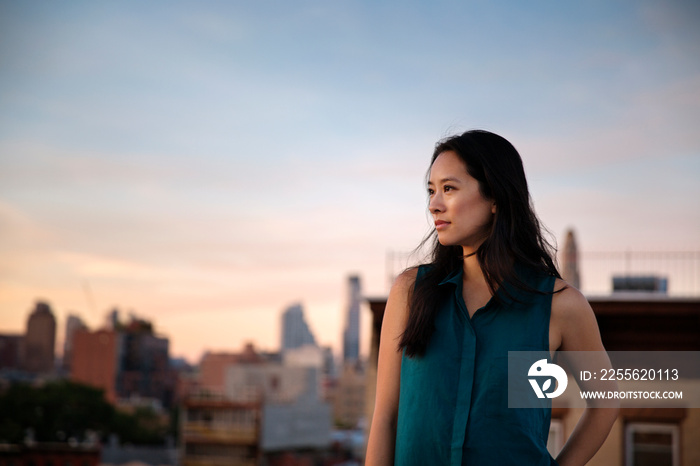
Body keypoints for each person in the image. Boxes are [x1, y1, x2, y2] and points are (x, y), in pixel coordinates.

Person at [365, 130, 618, 466]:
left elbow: (606, 401)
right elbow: (386, 417)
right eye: (431, 190)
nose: (433, 204)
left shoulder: (560, 305)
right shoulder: (410, 292)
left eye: (449, 188)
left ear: (496, 196)